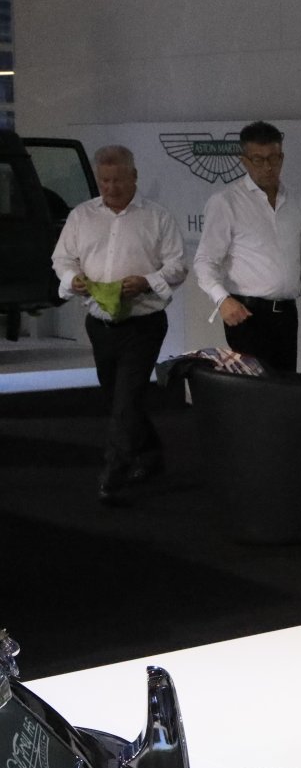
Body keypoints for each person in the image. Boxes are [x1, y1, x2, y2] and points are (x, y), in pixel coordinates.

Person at [50, 145, 187, 505]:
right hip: (99, 324)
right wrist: (72, 278)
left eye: (117, 180)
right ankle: (151, 453)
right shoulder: (81, 216)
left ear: (134, 177)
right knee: (119, 398)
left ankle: (113, 472)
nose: (110, 188)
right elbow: (62, 258)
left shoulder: (157, 217)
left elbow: (177, 267)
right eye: (104, 181)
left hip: (144, 324)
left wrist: (146, 281)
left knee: (125, 400)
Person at [193, 121, 301, 373]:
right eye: (258, 160)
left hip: (286, 315)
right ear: (244, 161)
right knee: (257, 391)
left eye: (273, 158)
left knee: (285, 387)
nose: (268, 166)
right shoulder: (226, 202)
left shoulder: (295, 202)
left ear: (282, 157)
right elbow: (205, 262)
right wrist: (222, 299)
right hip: (247, 314)